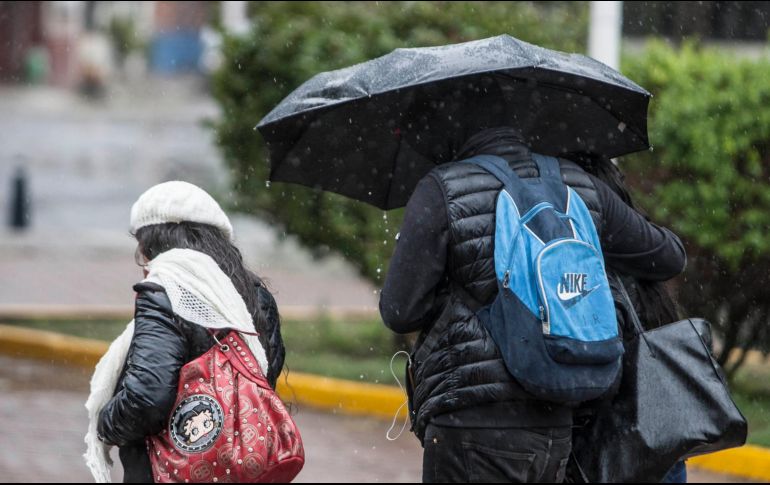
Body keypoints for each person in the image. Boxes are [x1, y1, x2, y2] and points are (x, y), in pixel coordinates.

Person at [379, 126, 687, 483]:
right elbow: (669, 257)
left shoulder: (443, 187)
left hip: (471, 420)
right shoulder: (578, 185)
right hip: (555, 421)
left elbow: (400, 313)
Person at [86, 181, 285, 483]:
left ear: (153, 244)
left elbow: (147, 398)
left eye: (142, 250)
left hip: (172, 471)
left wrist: (105, 424)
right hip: (241, 467)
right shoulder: (255, 295)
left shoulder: (165, 293)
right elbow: (263, 379)